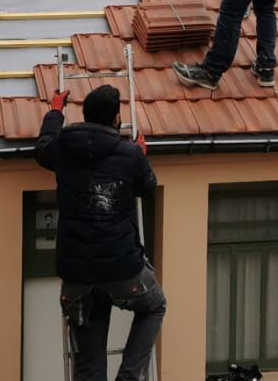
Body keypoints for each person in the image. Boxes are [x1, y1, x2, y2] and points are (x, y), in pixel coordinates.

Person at [35, 83, 166, 381]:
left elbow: (42, 149)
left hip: (78, 280)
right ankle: (129, 377)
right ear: (116, 119)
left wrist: (55, 110)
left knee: (89, 368)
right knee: (155, 306)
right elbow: (146, 187)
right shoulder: (129, 155)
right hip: (123, 273)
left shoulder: (64, 148)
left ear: (85, 114)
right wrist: (140, 157)